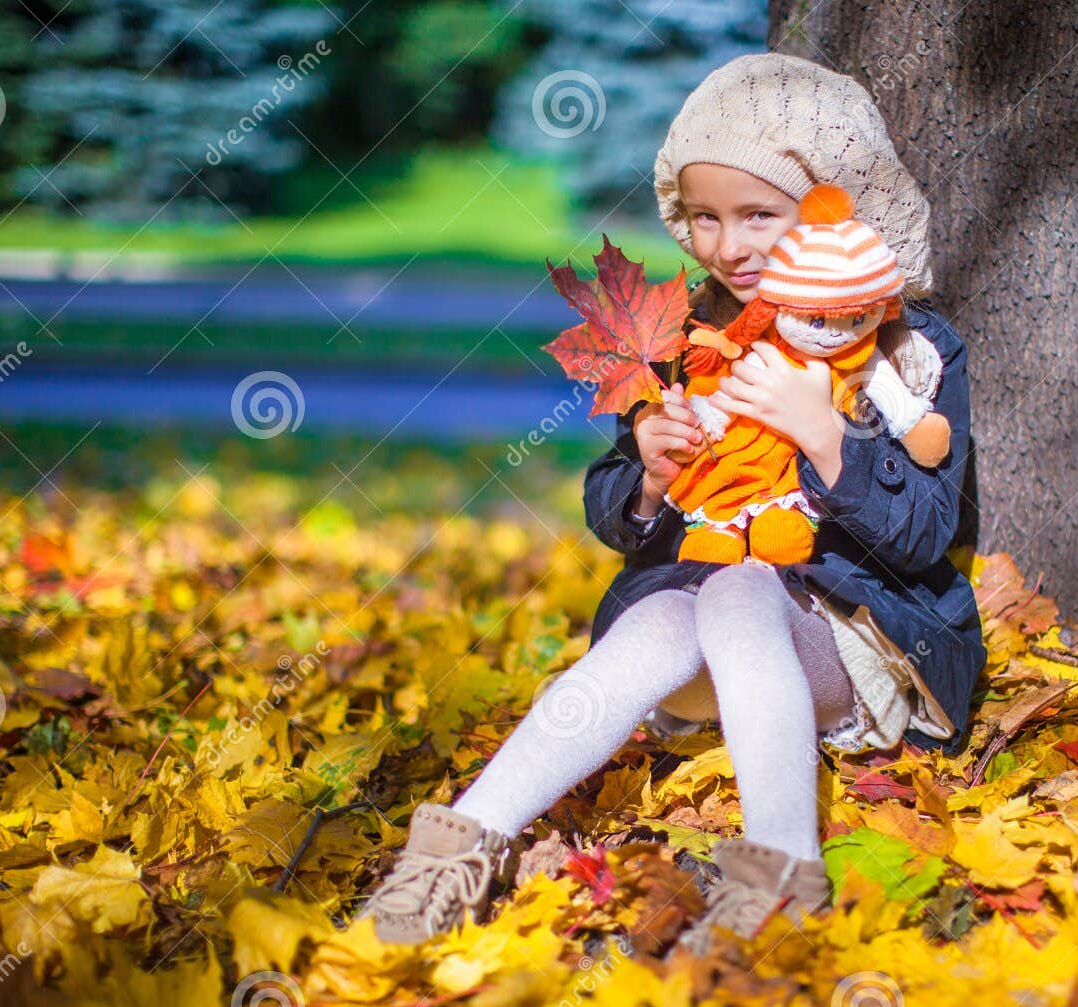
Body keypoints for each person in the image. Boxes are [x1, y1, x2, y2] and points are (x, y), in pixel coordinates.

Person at [355, 52, 986, 953]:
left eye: (757, 216)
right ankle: (461, 847)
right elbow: (612, 505)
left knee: (735, 593)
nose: (730, 246)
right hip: (710, 645)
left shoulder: (905, 353)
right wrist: (649, 475)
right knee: (655, 623)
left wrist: (825, 436)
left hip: (853, 641)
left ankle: (778, 876)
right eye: (705, 219)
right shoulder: (689, 336)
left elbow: (927, 535)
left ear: (823, 210)